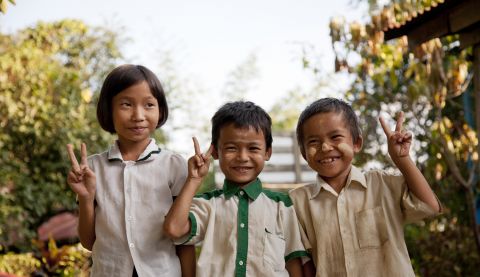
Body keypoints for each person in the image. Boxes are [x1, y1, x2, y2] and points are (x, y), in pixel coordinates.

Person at [66, 64, 195, 277]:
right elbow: (88, 242)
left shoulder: (174, 165)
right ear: (108, 109)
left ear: (160, 110)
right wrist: (86, 198)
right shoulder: (92, 169)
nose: (138, 115)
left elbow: (184, 238)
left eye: (149, 105)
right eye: (126, 104)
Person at [289, 98, 441, 277]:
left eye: (335, 137)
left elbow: (430, 206)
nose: (325, 146)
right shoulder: (297, 202)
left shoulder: (381, 184)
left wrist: (402, 159)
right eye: (313, 142)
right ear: (304, 154)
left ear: (357, 143)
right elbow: (303, 265)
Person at [163, 101, 309, 277]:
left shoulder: (281, 206)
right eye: (231, 148)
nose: (242, 157)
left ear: (267, 152)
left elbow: (293, 263)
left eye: (253, 148)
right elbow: (174, 229)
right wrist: (194, 179)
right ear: (216, 152)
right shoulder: (207, 206)